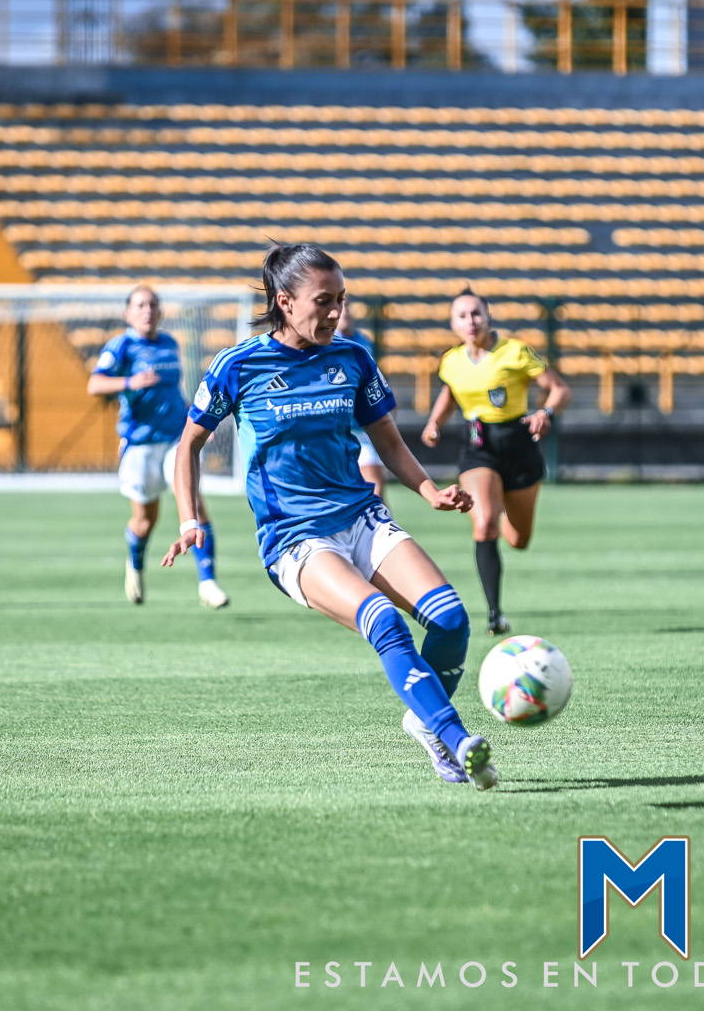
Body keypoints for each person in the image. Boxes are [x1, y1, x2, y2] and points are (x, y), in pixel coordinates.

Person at [161, 244, 499, 791]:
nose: (336, 312)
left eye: (341, 299)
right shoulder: (238, 365)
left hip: (362, 517)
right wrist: (188, 519)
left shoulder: (354, 358)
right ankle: (455, 740)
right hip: (295, 538)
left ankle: (424, 720)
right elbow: (188, 445)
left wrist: (429, 491)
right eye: (324, 301)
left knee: (452, 619)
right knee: (384, 621)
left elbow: (388, 439)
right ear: (285, 301)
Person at [421, 287, 571, 636]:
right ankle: (494, 614)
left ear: (488, 316)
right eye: (462, 315)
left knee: (518, 540)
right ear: (452, 323)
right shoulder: (451, 360)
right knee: (485, 523)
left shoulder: (515, 351)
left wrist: (545, 412)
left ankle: (498, 503)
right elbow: (450, 392)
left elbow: (560, 389)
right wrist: (434, 423)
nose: (470, 321)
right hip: (478, 447)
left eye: (476, 313)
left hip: (519, 446)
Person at [86, 285, 229, 608]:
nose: (147, 310)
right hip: (140, 445)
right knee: (145, 521)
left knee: (194, 504)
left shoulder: (169, 343)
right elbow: (94, 384)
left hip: (176, 440)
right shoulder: (121, 346)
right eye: (140, 305)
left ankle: (208, 583)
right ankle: (135, 564)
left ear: (160, 312)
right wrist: (129, 382)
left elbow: (173, 393)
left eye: (153, 305)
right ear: (128, 313)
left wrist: (195, 424)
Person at [336, 299, 386, 499]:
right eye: (340, 306)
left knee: (376, 490)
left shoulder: (364, 342)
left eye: (347, 305)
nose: (344, 311)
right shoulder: (327, 344)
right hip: (336, 431)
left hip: (364, 429)